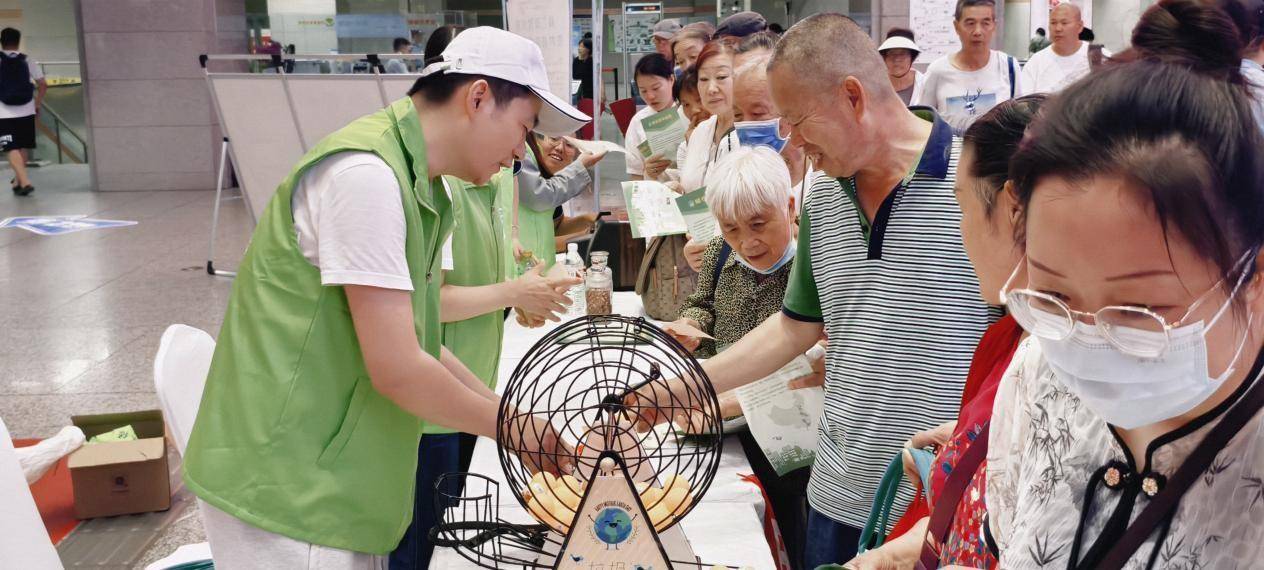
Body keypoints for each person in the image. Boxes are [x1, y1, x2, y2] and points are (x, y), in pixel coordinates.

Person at [182, 27, 588, 568]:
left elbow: (417, 339)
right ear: (478, 98)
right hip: (288, 480)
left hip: (330, 464)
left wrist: (510, 418)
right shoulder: (367, 177)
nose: (521, 152)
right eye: (524, 128)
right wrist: (513, 430)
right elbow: (396, 368)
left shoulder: (416, 180)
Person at [631, 14, 994, 568]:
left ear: (852, 96)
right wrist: (691, 386)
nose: (788, 140)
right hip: (835, 494)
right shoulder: (822, 192)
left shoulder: (976, 181)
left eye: (796, 121)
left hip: (938, 503)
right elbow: (797, 324)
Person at [987, 2, 1264, 566]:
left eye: (1140, 311)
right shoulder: (1038, 371)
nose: (1087, 341)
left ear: (1253, 277)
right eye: (1054, 297)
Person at [841, 95, 1045, 570]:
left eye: (963, 205)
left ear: (1012, 208)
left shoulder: (1050, 359)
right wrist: (963, 442)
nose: (959, 228)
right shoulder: (1018, 338)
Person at [666, 146, 818, 567]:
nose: (747, 242)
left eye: (759, 224)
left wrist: (732, 402)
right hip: (719, 416)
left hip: (786, 435)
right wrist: (690, 327)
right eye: (731, 229)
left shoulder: (812, 267)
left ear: (789, 206)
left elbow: (812, 360)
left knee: (788, 524)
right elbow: (703, 304)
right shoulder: (719, 254)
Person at [917, 0, 1023, 134]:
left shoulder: (1008, 67)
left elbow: (1018, 121)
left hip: (994, 154)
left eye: (985, 23)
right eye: (970, 23)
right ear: (956, 26)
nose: (978, 31)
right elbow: (922, 123)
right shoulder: (938, 71)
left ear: (994, 26)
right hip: (951, 154)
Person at [514, 132, 606, 276]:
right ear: (536, 142)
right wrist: (588, 237)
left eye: (569, 144)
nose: (560, 148)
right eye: (554, 138)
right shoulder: (529, 180)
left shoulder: (553, 181)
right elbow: (552, 241)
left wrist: (591, 220)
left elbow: (556, 226)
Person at [677, 41, 739, 193]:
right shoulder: (700, 132)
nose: (711, 89)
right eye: (704, 79)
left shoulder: (752, 134)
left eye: (721, 77)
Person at [1021, 3, 1106, 93]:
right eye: (1053, 23)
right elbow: (1024, 103)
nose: (1058, 28)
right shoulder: (1035, 63)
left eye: (1064, 23)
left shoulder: (1101, 58)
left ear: (1080, 26)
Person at [0, 28, 44, 197]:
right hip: (27, 109)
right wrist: (37, 105)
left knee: (11, 147)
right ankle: (18, 182)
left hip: (3, 111)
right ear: (18, 41)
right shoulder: (27, 60)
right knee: (23, 146)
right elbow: (42, 84)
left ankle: (25, 182)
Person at [626, 54, 677, 181]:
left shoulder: (687, 112)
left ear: (671, 79)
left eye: (656, 88)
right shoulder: (638, 121)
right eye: (643, 91)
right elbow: (635, 173)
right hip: (656, 193)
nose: (650, 96)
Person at [878, 27, 927, 106]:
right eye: (891, 53)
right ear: (884, 57)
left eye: (903, 53)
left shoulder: (925, 84)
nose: (897, 59)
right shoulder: (874, 86)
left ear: (912, 57)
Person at [573, 37, 594, 102]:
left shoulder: (592, 61)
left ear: (588, 49)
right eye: (579, 46)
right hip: (579, 90)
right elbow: (575, 76)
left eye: (582, 47)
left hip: (591, 91)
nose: (579, 48)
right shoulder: (576, 60)